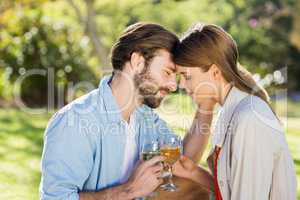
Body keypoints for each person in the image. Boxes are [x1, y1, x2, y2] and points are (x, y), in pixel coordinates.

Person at [39, 22, 212, 200]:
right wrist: (128, 191)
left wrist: (206, 106)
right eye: (167, 72)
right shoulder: (75, 121)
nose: (173, 85)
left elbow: (183, 162)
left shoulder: (146, 119)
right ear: (137, 62)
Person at [173, 23, 297, 200]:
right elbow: (234, 189)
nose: (181, 85)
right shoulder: (231, 111)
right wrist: (194, 173)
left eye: (186, 76)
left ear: (215, 72)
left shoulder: (249, 119)